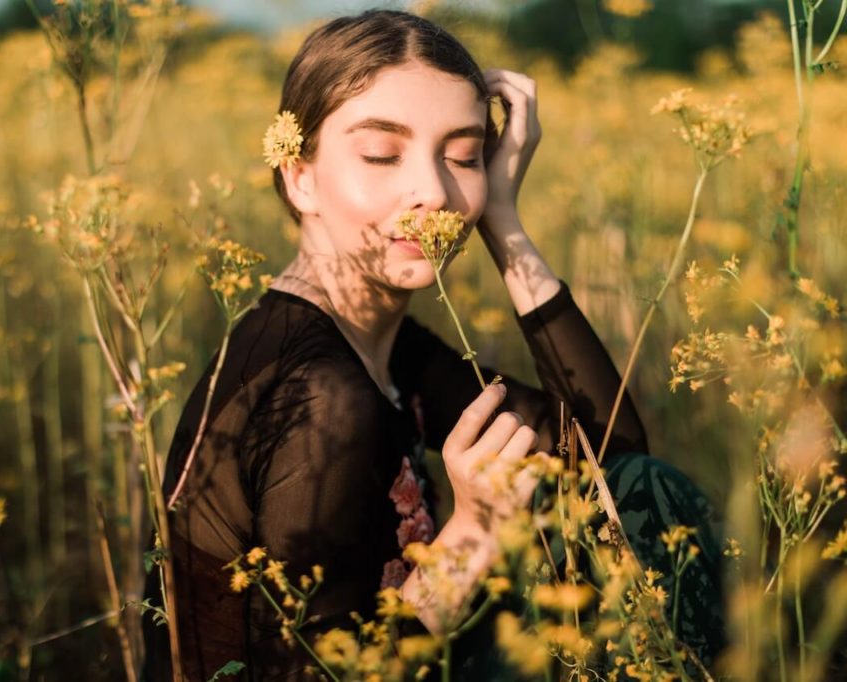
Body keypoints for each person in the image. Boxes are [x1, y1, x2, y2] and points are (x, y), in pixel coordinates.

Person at [142, 9, 722, 680]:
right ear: (300, 176)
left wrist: (502, 219)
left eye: (464, 156)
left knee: (645, 502)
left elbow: (612, 459)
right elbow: (319, 674)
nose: (434, 192)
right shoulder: (319, 394)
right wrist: (473, 531)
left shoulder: (388, 346)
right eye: (382, 154)